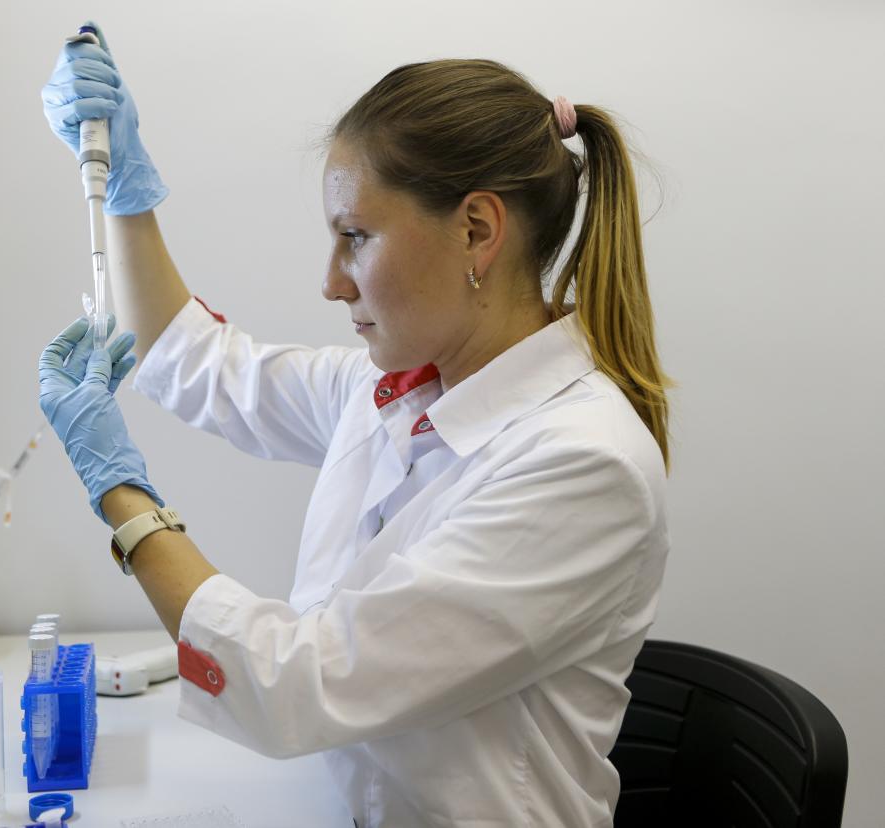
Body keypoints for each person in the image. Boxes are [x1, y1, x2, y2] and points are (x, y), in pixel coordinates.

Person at [39, 22, 670, 827]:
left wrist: (120, 493)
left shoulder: (581, 462)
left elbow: (295, 685)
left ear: (477, 230)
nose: (332, 282)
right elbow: (197, 363)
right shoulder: (399, 394)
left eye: (356, 238)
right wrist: (126, 190)